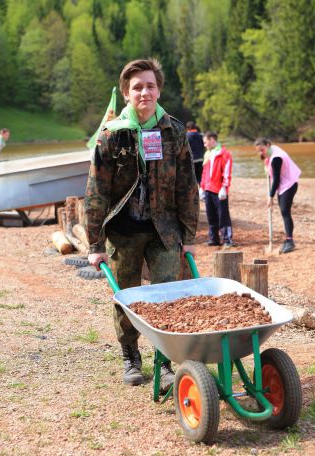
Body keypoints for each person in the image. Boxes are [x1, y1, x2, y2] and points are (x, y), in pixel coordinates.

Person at [85, 58, 199, 390]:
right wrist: (94, 245)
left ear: (159, 90)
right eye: (137, 87)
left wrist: (189, 235)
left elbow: (187, 187)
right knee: (127, 299)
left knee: (165, 299)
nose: (144, 92)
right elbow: (96, 192)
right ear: (126, 94)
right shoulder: (111, 137)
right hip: (122, 232)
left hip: (164, 230)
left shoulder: (174, 131)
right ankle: (130, 356)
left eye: (150, 86)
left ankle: (163, 363)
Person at [254, 137, 301, 254]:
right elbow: (273, 172)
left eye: (262, 150)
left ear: (268, 145)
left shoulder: (276, 158)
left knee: (285, 211)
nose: (261, 153)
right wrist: (266, 162)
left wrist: (270, 197)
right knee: (284, 211)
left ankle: (290, 241)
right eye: (258, 151)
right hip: (285, 184)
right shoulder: (273, 150)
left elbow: (276, 180)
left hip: (288, 185)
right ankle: (288, 239)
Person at [200, 131, 233, 247]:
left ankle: (227, 239)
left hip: (219, 191)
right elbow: (204, 172)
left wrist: (224, 187)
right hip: (208, 189)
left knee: (223, 215)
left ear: (212, 140)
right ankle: (213, 239)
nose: (204, 145)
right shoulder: (208, 154)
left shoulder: (224, 154)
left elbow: (227, 172)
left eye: (205, 142)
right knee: (211, 215)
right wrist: (202, 187)